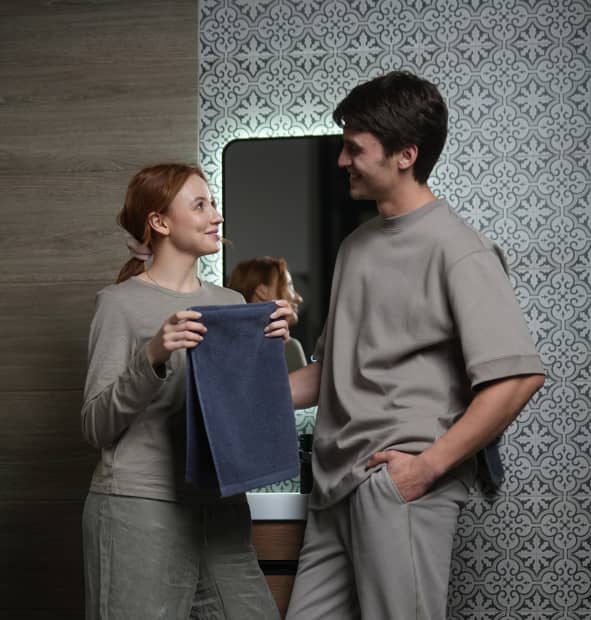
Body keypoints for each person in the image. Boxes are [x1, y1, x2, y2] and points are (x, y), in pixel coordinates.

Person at [285, 72, 545, 620]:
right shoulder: (355, 246)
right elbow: (332, 372)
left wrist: (426, 468)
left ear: (406, 155)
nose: (342, 160)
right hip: (332, 487)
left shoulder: (459, 249)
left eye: (355, 148)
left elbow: (518, 378)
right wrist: (234, 394)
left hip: (394, 482)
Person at [81, 163, 292, 619]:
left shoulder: (231, 304)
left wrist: (270, 350)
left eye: (212, 203)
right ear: (159, 222)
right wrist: (153, 355)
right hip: (139, 509)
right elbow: (95, 426)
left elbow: (241, 414)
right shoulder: (119, 304)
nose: (216, 215)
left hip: (222, 507)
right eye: (200, 205)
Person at [228, 256, 307, 372]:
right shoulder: (289, 347)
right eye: (289, 285)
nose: (299, 298)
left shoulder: (227, 349)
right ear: (262, 292)